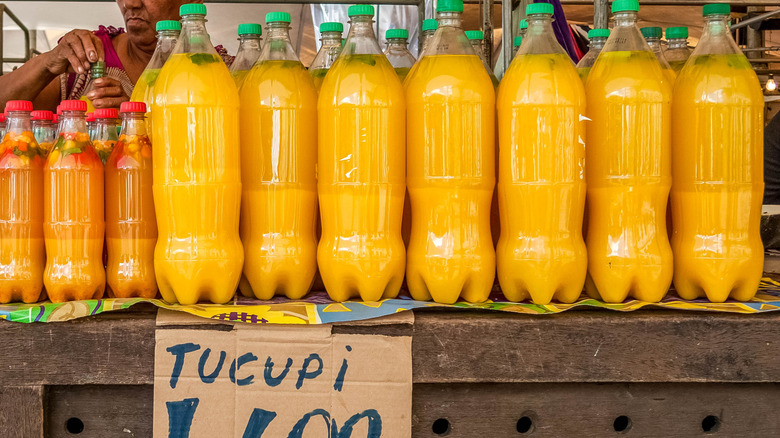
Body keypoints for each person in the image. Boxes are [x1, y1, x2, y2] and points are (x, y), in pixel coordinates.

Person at [0, 0, 190, 112]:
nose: (131, 3)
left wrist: (133, 122)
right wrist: (47, 63)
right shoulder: (86, 57)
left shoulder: (212, 68)